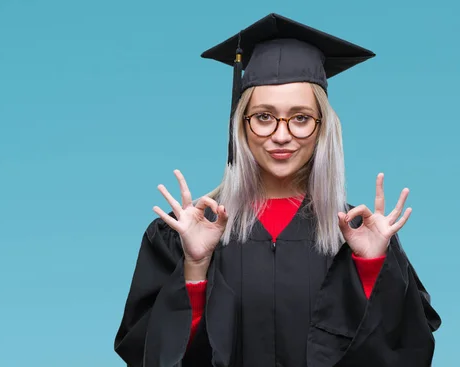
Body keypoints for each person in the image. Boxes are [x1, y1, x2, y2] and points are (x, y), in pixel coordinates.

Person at [114, 13, 441, 367]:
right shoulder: (183, 234)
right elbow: (145, 351)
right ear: (241, 125)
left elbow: (408, 350)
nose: (281, 135)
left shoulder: (357, 236)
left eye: (300, 118)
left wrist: (371, 267)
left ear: (322, 129)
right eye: (264, 117)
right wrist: (194, 268)